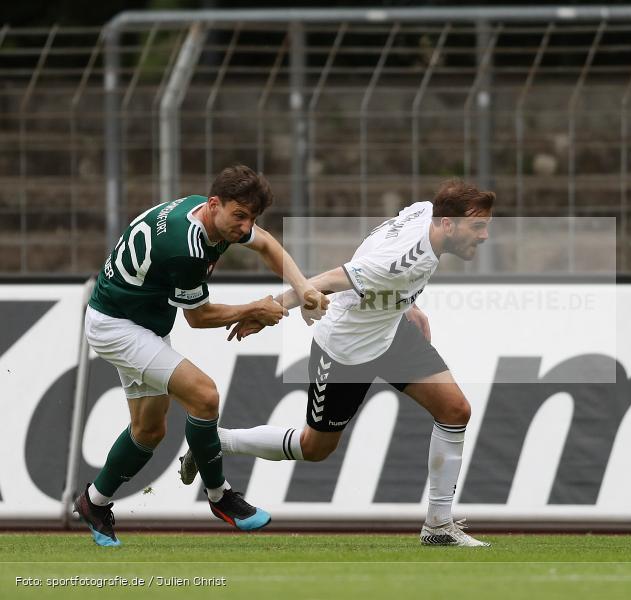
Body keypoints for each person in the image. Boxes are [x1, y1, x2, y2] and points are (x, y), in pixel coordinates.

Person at [179, 179, 494, 546]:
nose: (485, 236)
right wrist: (266, 310)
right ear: (448, 225)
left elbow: (380, 243)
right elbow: (328, 280)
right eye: (478, 226)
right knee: (315, 448)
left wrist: (409, 304)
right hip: (345, 349)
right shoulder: (397, 263)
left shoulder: (425, 210)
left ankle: (438, 527)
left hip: (390, 330)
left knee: (455, 410)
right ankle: (215, 442)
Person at [73, 164, 329, 547]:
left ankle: (94, 502)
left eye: (251, 218)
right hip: (116, 324)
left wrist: (302, 287)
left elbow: (267, 245)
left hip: (139, 321)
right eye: (239, 216)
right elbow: (198, 317)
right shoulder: (186, 247)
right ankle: (220, 496)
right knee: (204, 395)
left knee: (149, 430)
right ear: (214, 204)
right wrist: (253, 309)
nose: (244, 228)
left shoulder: (211, 217)